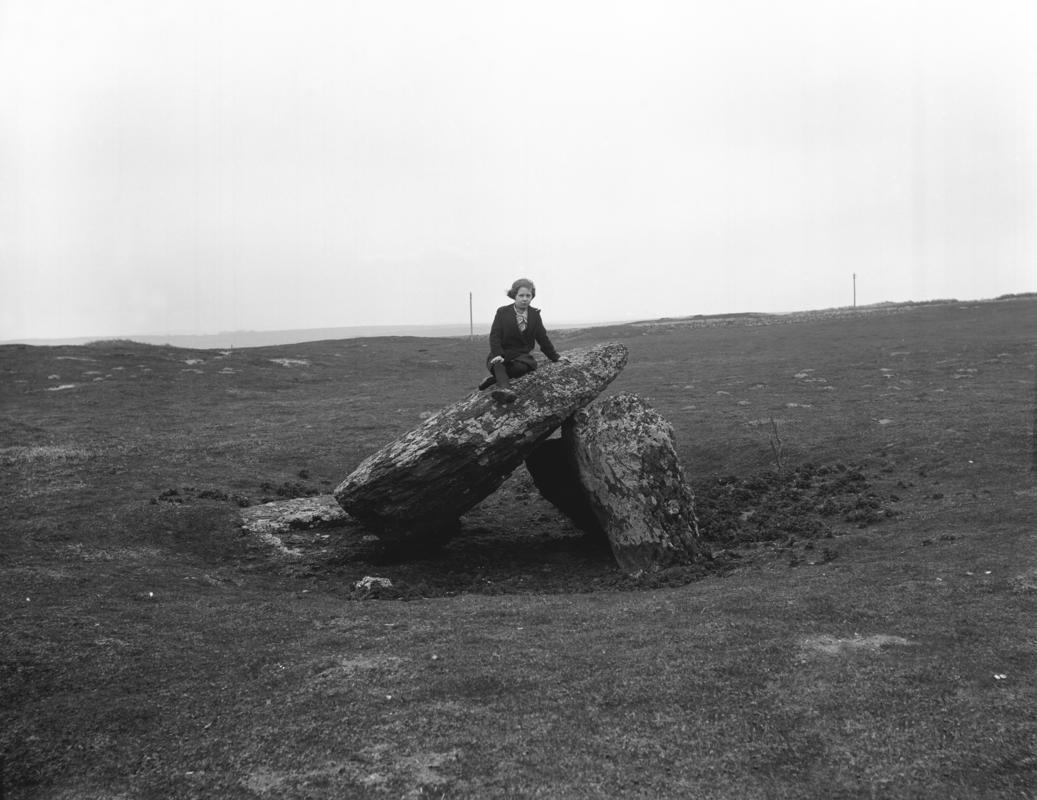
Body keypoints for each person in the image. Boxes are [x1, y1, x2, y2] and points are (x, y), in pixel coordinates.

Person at [478, 278, 561, 403]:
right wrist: (498, 354)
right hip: (501, 354)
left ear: (532, 296)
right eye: (521, 295)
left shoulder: (534, 315)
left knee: (521, 369)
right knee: (498, 365)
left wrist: (555, 357)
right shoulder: (502, 312)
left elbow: (542, 338)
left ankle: (494, 380)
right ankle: (505, 390)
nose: (525, 298)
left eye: (528, 295)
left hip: (521, 356)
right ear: (514, 296)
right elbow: (495, 336)